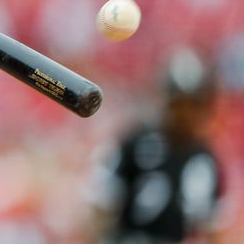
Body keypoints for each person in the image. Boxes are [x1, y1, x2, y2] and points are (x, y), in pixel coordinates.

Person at [88, 47, 224, 244]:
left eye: (192, 105)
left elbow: (210, 228)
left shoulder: (205, 161)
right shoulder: (134, 143)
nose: (184, 115)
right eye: (178, 105)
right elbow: (102, 204)